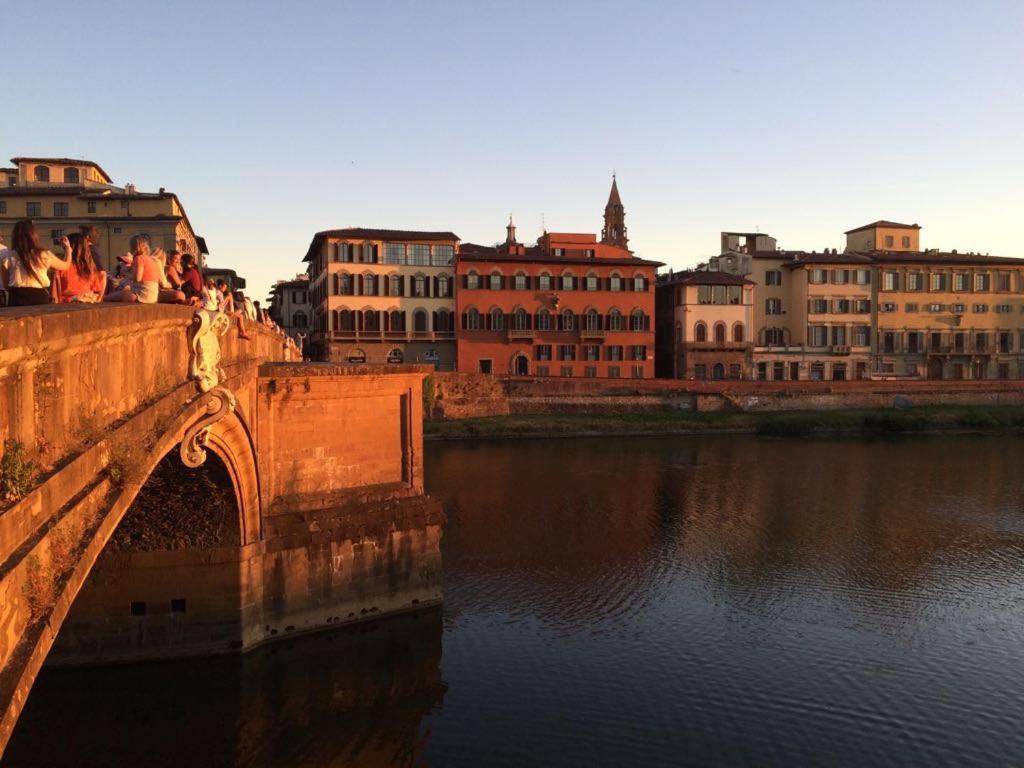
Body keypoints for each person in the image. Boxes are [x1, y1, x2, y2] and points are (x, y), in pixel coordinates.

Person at [0, 220, 71, 306]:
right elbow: (65, 265)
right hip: (39, 296)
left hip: (16, 297)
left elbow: (6, 285)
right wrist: (68, 249)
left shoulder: (8, 256)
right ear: (34, 235)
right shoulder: (44, 254)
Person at [105, 234, 161, 303]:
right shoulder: (149, 259)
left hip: (143, 295)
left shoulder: (139, 258)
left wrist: (128, 274)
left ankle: (103, 298)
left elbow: (138, 278)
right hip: (153, 296)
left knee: (122, 294)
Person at [57, 232, 107, 302]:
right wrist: (99, 298)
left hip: (67, 304)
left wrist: (67, 251)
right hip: (88, 303)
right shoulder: (90, 267)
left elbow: (57, 288)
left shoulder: (64, 266)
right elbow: (100, 279)